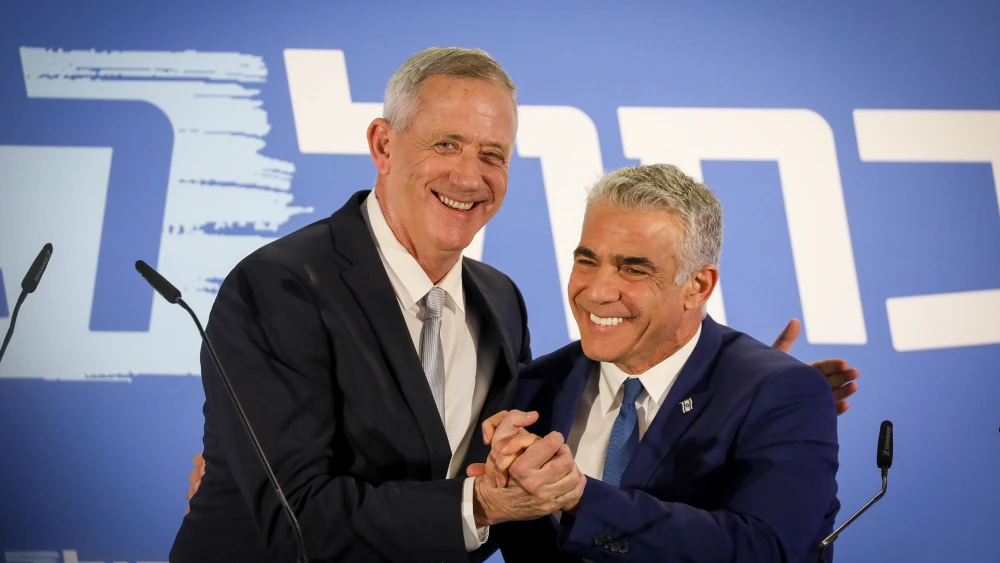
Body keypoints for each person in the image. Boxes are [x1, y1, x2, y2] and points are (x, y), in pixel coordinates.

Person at [176, 47, 858, 563]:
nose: (470, 175)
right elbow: (300, 516)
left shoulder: (497, 300)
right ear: (383, 145)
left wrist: (729, 381)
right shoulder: (280, 285)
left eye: (493, 153)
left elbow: (511, 461)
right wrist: (481, 504)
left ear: (698, 286)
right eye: (446, 143)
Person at [474, 164, 841, 562]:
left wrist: (579, 496)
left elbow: (765, 549)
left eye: (633, 269)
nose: (596, 291)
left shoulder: (781, 394)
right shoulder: (532, 388)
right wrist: (486, 501)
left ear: (697, 286)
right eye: (587, 261)